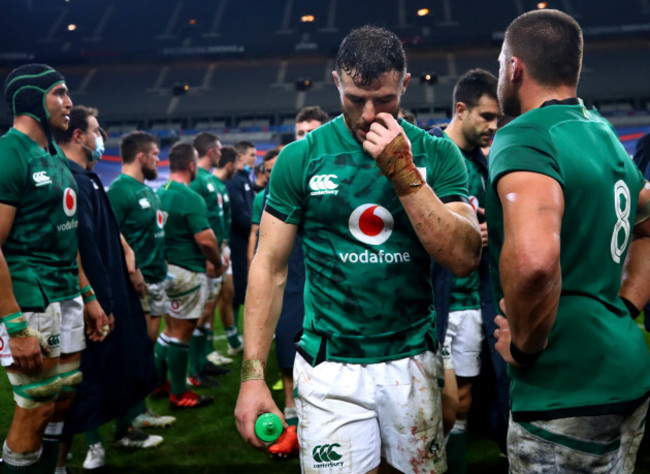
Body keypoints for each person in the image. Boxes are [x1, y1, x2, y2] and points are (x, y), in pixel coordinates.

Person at [235, 25, 482, 473]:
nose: (369, 113)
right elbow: (268, 267)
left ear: (405, 85)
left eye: (384, 100)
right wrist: (253, 374)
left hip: (411, 356)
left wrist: (402, 171)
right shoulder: (301, 157)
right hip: (330, 364)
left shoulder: (436, 153)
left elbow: (464, 257)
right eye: (355, 99)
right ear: (336, 84)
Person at [488, 9, 650, 473]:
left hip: (563, 383)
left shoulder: (524, 135)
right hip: (626, 369)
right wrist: (628, 304)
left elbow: (536, 261)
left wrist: (524, 347)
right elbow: (647, 221)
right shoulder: (603, 132)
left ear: (514, 67)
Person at [0, 63, 107, 474]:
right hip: (30, 300)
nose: (69, 102)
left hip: (67, 294)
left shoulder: (55, 157)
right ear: (30, 100)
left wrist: (90, 297)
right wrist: (14, 323)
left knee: (62, 398)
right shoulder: (9, 153)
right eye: (60, 93)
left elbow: (68, 238)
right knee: (35, 408)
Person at [54, 106, 163, 471]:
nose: (102, 137)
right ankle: (83, 447)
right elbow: (75, 244)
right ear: (79, 135)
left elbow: (107, 229)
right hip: (88, 297)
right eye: (97, 130)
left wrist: (128, 253)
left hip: (112, 286)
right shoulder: (66, 178)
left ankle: (122, 428)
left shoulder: (89, 177)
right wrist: (92, 297)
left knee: (115, 364)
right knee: (84, 375)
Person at [429, 69, 507, 471]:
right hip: (433, 302)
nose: (494, 126)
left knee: (464, 400)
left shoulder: (482, 164)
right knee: (437, 404)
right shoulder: (424, 151)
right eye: (487, 116)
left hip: (474, 299)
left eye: (498, 118)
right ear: (460, 110)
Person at [156, 142, 224, 410]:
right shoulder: (189, 197)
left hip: (167, 269)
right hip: (187, 271)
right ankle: (180, 393)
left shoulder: (160, 192)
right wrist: (217, 263)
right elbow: (206, 240)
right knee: (181, 334)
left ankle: (159, 382)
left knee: (168, 332)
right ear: (192, 166)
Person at [107, 131, 168, 345]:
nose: (159, 160)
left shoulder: (147, 191)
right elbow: (109, 236)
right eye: (155, 154)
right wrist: (131, 271)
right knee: (138, 347)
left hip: (157, 279)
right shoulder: (119, 190)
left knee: (149, 346)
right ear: (141, 156)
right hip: (137, 285)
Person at [187, 132, 231, 388]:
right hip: (204, 258)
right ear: (211, 151)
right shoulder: (198, 181)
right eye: (219, 149)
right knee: (201, 313)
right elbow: (196, 221)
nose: (221, 152)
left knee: (208, 310)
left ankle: (202, 362)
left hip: (218, 251)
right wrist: (208, 256)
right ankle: (194, 370)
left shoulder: (210, 180)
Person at [210, 146, 242, 362]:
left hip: (224, 248)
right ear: (230, 164)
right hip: (212, 252)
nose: (239, 170)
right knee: (209, 303)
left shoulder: (220, 186)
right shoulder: (209, 184)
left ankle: (233, 342)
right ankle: (206, 351)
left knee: (228, 293)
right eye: (238, 165)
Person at [226, 141, 256, 338]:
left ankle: (237, 333)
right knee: (237, 288)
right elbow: (239, 215)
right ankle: (232, 335)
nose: (255, 158)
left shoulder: (245, 179)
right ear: (241, 157)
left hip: (247, 238)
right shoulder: (235, 181)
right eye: (252, 155)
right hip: (237, 241)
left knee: (244, 286)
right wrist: (256, 228)